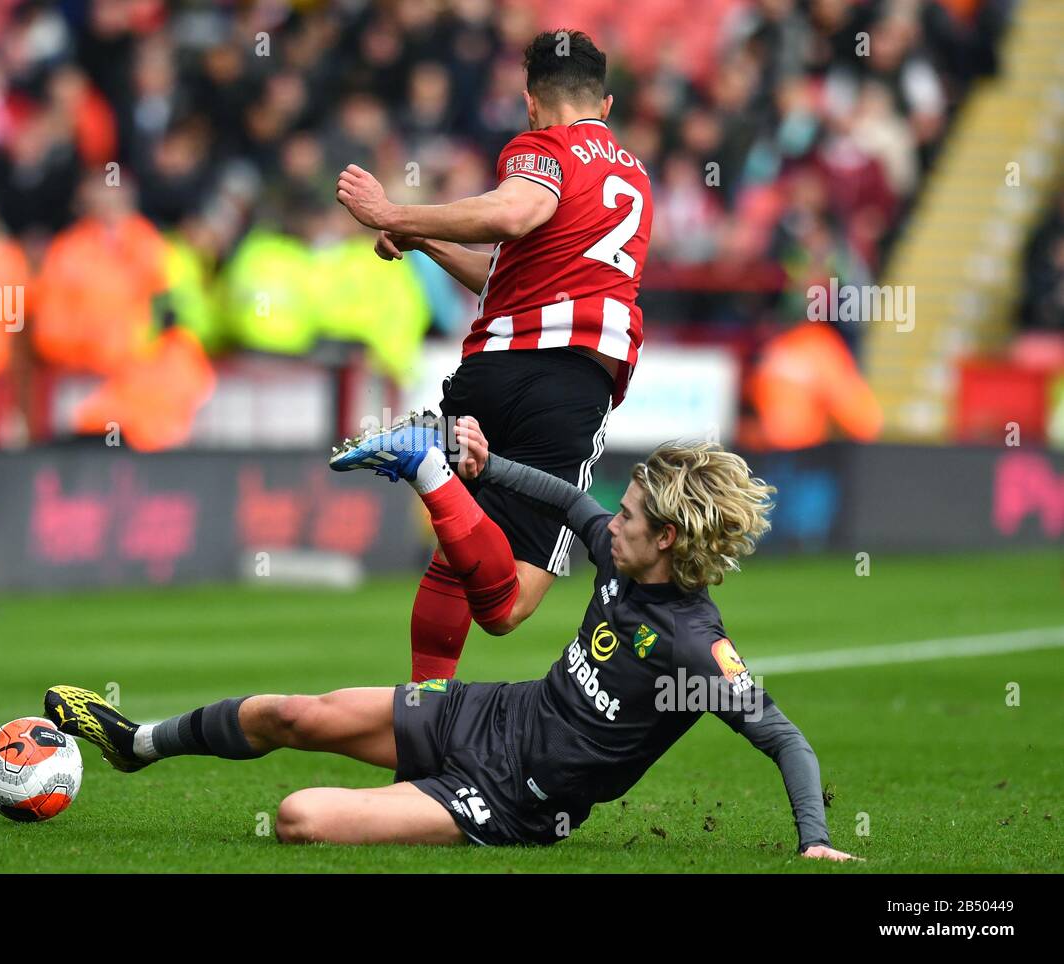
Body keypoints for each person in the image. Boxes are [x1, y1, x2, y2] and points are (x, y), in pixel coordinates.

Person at [45, 418, 854, 858]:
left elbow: (785, 740)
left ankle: (419, 806)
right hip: (488, 715)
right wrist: (480, 464)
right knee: (290, 713)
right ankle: (135, 744)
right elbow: (568, 502)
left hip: (511, 799)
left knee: (296, 818)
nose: (616, 518)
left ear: (670, 540)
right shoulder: (620, 550)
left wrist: (815, 845)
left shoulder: (693, 646)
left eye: (634, 513)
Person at [331, 29, 655, 682]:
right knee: (508, 608)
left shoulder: (541, 148)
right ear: (608, 104)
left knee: (456, 562)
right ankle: (426, 465)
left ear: (531, 103)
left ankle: (422, 730)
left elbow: (512, 236)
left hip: (491, 373)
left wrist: (403, 218)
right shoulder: (633, 175)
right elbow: (514, 220)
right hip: (569, 383)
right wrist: (409, 225)